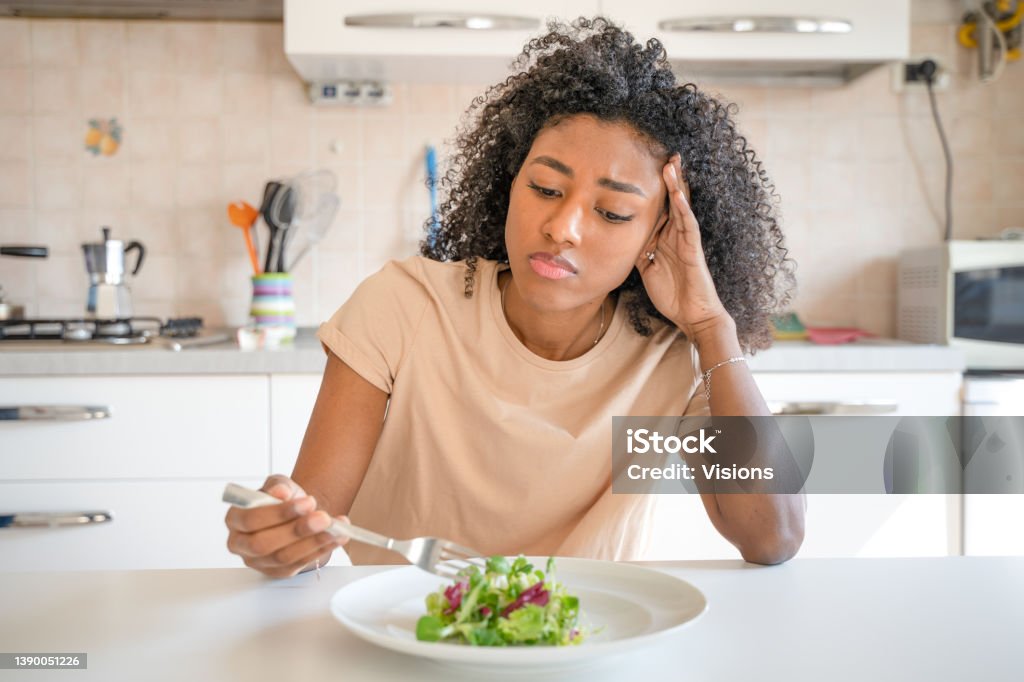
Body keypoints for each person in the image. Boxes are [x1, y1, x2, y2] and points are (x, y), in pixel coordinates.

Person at [225, 17, 804, 578]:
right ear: (510, 182)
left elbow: (771, 536)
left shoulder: (670, 354)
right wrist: (285, 534)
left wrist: (710, 324)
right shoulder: (401, 307)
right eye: (545, 188)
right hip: (405, 637)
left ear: (657, 234)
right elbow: (313, 527)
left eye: (612, 212)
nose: (563, 227)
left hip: (586, 642)